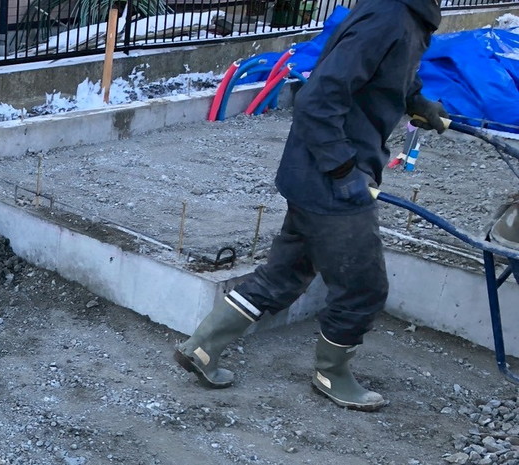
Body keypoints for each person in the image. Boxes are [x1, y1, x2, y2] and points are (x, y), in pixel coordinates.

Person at [174, 0, 446, 411]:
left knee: (285, 274)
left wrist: (416, 100)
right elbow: (318, 98)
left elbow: (383, 70)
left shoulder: (401, 14)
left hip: (315, 174)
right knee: (363, 287)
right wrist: (344, 171)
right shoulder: (389, 17)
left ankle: (201, 347)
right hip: (331, 179)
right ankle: (331, 374)